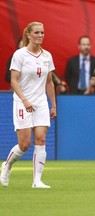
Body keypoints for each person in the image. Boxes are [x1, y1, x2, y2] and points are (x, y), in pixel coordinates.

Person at [0, 22, 56, 188]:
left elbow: (49, 82)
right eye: (37, 33)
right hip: (22, 102)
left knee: (41, 138)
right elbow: (13, 80)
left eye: (42, 33)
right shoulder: (20, 55)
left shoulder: (47, 56)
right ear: (29, 35)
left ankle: (37, 181)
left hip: (40, 102)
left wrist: (53, 105)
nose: (40, 36)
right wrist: (24, 100)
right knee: (24, 144)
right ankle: (7, 165)